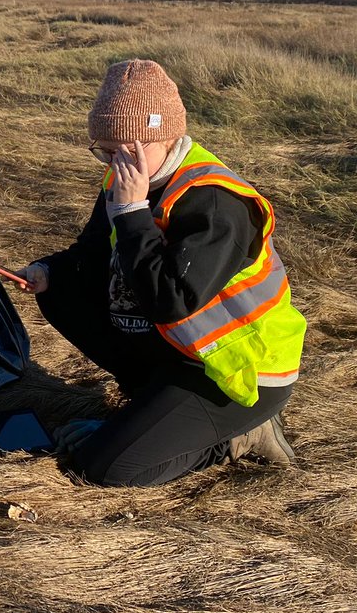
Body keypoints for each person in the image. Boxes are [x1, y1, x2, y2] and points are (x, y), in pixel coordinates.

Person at [17, 60, 306, 487]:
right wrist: (47, 271)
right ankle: (150, 408)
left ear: (167, 137)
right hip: (179, 349)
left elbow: (172, 301)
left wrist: (131, 211)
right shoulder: (128, 178)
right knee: (61, 289)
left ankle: (237, 437)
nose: (115, 164)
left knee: (102, 468)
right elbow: (93, 253)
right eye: (104, 151)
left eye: (126, 151)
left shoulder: (215, 201)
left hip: (236, 372)